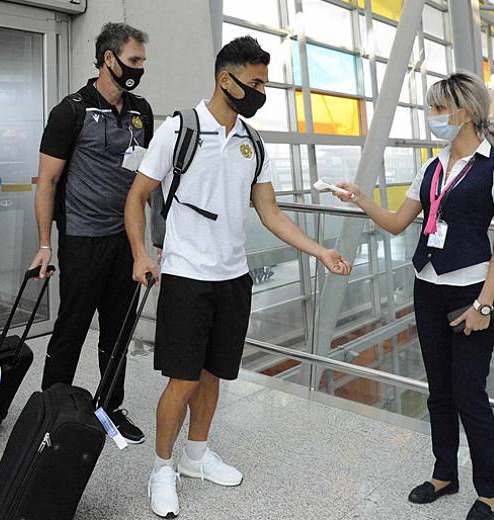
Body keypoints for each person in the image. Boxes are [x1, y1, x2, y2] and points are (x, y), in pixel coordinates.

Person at [125, 36, 353, 518]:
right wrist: (141, 253)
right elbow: (137, 194)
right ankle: (162, 470)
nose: (260, 91)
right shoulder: (179, 128)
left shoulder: (253, 141)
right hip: (187, 276)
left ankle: (195, 456)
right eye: (254, 82)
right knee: (182, 382)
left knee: (212, 377)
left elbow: (270, 213)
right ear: (225, 79)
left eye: (263, 83)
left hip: (234, 278)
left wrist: (320, 251)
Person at [334, 71, 494, 520]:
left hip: (471, 293)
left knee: (469, 392)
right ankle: (444, 474)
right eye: (431, 108)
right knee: (439, 389)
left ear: (467, 112)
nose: (431, 116)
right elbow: (399, 222)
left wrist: (483, 304)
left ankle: (490, 490)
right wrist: (361, 199)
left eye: (439, 109)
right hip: (429, 289)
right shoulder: (432, 166)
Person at [28, 22, 152, 444]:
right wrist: (45, 244)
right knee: (72, 330)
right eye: (134, 60)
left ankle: (109, 407)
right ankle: (50, 413)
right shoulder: (71, 110)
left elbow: (144, 180)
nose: (139, 68)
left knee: (117, 331)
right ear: (109, 59)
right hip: (81, 239)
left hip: (125, 241)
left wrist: (145, 245)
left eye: (142, 61)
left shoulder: (141, 112)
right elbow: (46, 182)